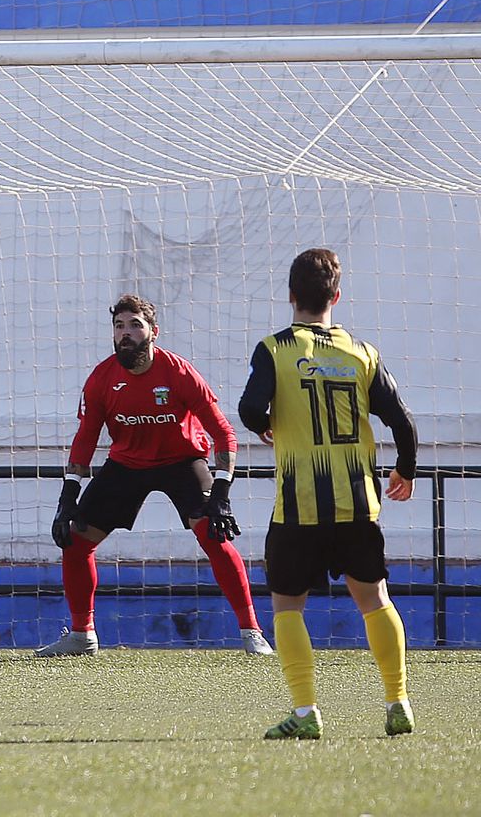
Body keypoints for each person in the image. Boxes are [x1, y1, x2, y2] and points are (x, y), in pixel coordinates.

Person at [238, 249, 418, 740]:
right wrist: (405, 469)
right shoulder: (361, 354)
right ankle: (397, 700)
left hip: (298, 508)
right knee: (375, 600)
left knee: (287, 606)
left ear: (291, 296)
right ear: (335, 297)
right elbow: (402, 422)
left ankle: (305, 711)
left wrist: (266, 424)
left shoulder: (274, 349)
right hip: (357, 504)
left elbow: (249, 407)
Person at [39, 295, 271, 657]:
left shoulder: (179, 373)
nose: (126, 333)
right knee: (76, 539)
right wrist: (68, 496)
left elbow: (223, 433)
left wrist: (221, 494)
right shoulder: (101, 378)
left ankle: (251, 633)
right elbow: (86, 438)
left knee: (213, 534)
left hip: (182, 460)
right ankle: (83, 635)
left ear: (153, 332)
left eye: (135, 325)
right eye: (119, 326)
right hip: (127, 464)